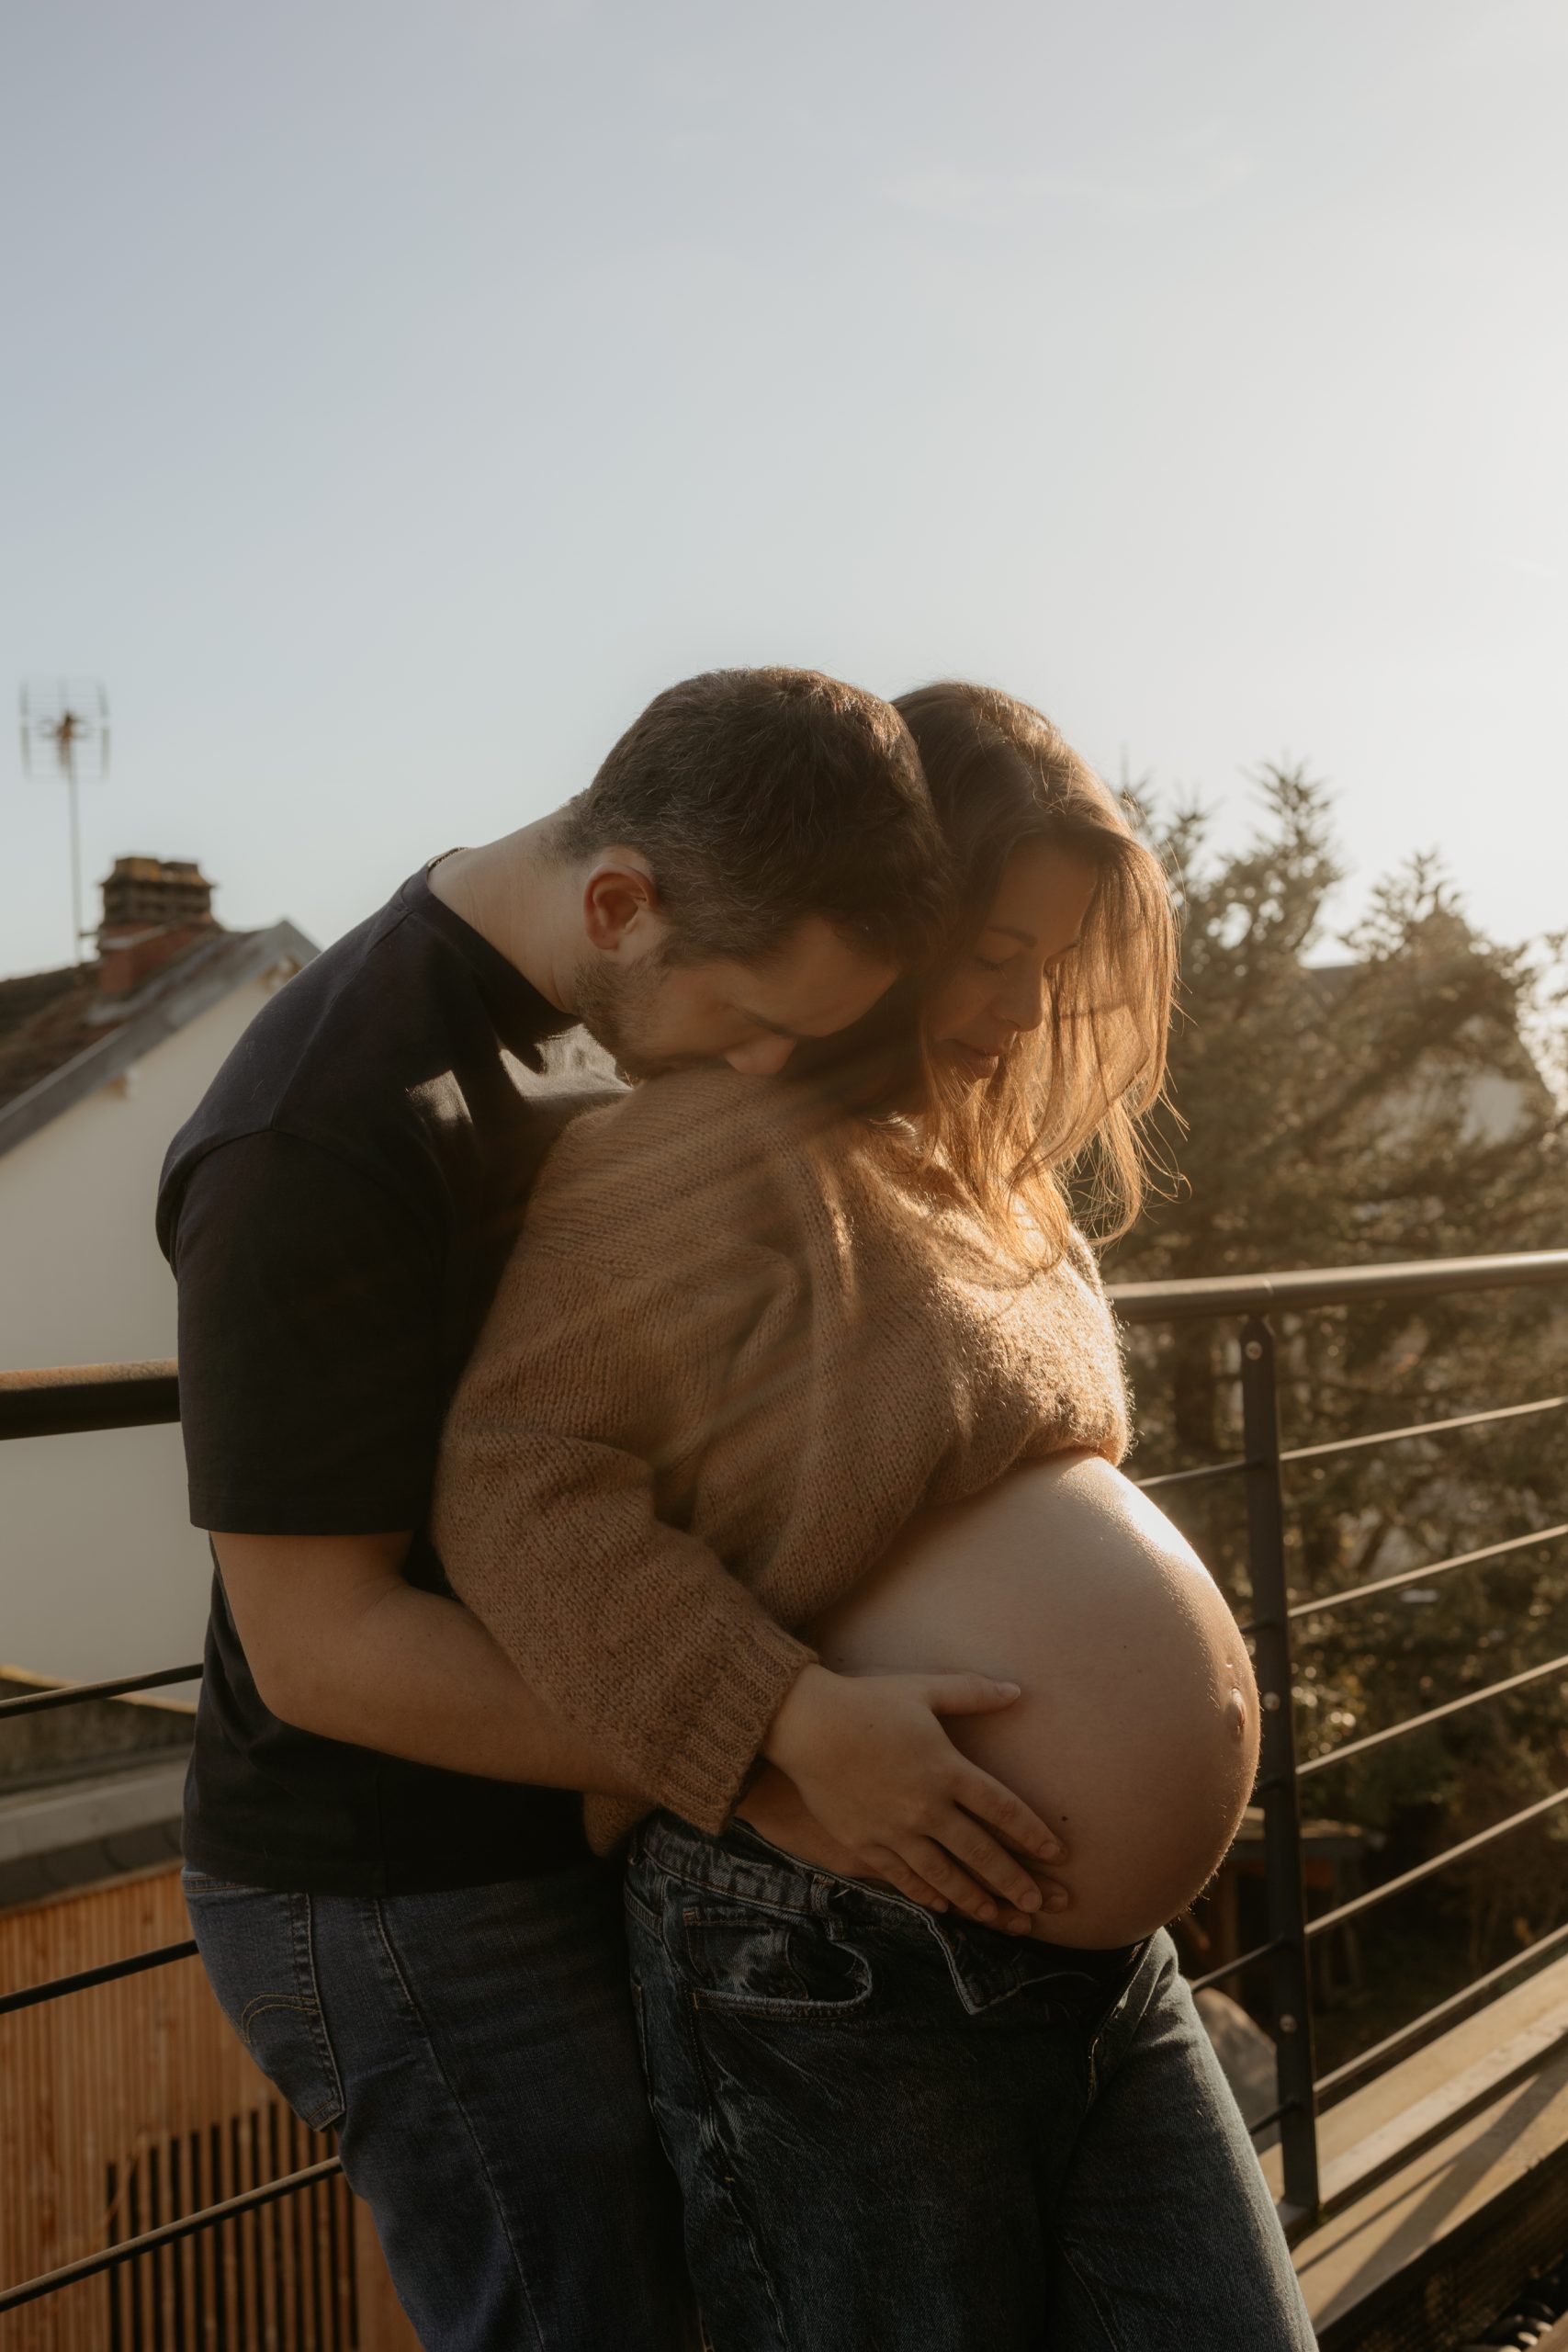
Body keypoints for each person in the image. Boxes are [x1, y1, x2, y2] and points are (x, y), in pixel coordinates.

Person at [158, 667, 1055, 2352]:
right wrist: (777, 1732)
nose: (774, 1062)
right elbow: (321, 1650)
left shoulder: (593, 982)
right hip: (396, 1892)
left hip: (567, 1827)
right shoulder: (311, 1140)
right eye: (755, 1019)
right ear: (621, 902)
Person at [433, 681, 1316, 2348]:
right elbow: (517, 1480)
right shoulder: (695, 1154)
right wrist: (772, 1720)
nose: (1023, 1000)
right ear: (899, 909)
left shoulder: (975, 1166)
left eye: (1054, 963)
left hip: (1089, 1960)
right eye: (995, 947)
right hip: (839, 1954)